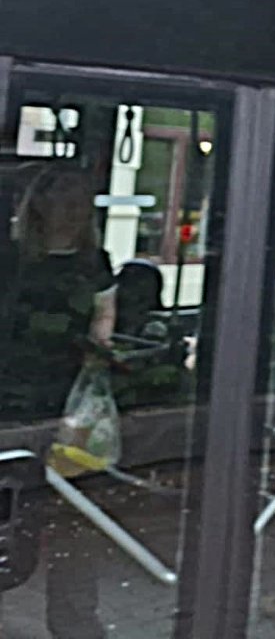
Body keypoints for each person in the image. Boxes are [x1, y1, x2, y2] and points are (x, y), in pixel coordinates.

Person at [3, 165, 116, 639]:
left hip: (68, 406)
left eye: (80, 199)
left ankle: (75, 623)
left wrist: (97, 370)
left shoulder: (96, 262)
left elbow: (103, 327)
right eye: (63, 197)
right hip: (9, 402)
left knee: (75, 519)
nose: (72, 208)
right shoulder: (10, 258)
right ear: (40, 203)